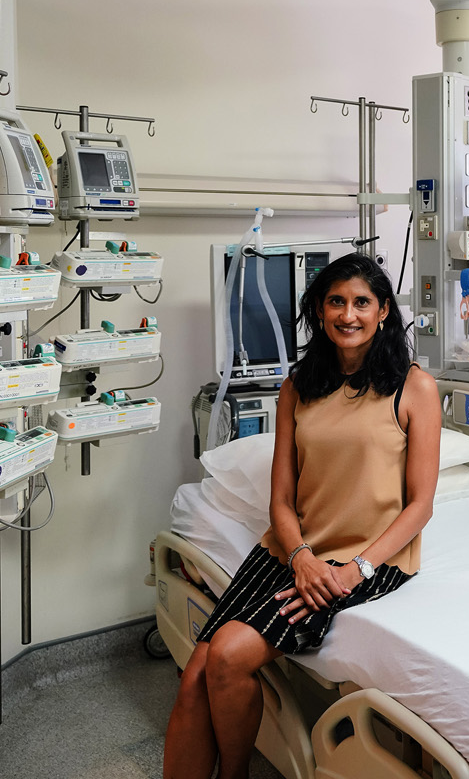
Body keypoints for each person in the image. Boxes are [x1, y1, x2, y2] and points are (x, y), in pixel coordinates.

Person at [163, 254, 440, 779]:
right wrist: (300, 557)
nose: (348, 315)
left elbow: (420, 505)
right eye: (336, 302)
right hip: (291, 550)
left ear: (383, 310)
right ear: (319, 310)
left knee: (227, 656)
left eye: (362, 302)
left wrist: (353, 570)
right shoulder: (299, 386)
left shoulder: (413, 387)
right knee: (196, 675)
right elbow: (281, 500)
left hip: (365, 561)